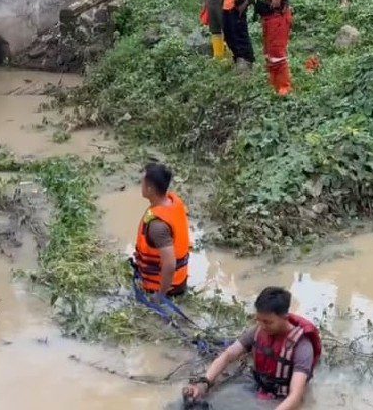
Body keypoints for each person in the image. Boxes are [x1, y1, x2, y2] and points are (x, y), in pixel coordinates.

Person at [182, 287, 321, 409]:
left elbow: (295, 396)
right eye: (259, 320)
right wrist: (204, 383)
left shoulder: (302, 347)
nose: (262, 325)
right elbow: (228, 355)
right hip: (257, 388)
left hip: (280, 400)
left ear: (285, 317)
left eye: (268, 322)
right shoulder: (258, 331)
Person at [240, 0, 297, 96]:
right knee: (268, 53)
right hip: (266, 18)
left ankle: (284, 87)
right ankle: (274, 85)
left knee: (277, 53)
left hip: (278, 17)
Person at [132, 163, 191, 297]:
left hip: (167, 289)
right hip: (179, 281)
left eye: (142, 183)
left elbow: (170, 265)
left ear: (150, 189)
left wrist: (160, 296)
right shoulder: (170, 203)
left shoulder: (157, 226)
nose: (141, 186)